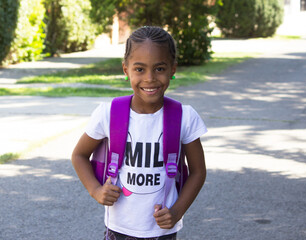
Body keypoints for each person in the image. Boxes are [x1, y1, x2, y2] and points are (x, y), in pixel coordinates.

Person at [71, 26, 207, 240]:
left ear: (173, 69)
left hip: (163, 230)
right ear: (126, 70)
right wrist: (96, 191)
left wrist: (177, 212)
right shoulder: (108, 114)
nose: (150, 78)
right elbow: (79, 155)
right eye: (140, 69)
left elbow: (198, 172)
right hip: (119, 228)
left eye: (160, 69)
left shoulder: (185, 117)